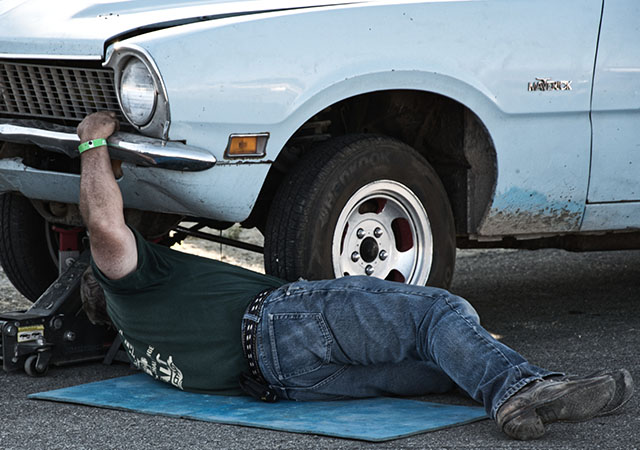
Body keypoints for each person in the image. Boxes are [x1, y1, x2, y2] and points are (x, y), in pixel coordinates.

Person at [76, 111, 633, 441]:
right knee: (436, 312)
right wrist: (94, 142)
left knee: (443, 364)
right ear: (107, 286)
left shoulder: (141, 347)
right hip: (286, 322)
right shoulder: (128, 286)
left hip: (290, 384)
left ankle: (520, 388)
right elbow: (103, 224)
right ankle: (521, 391)